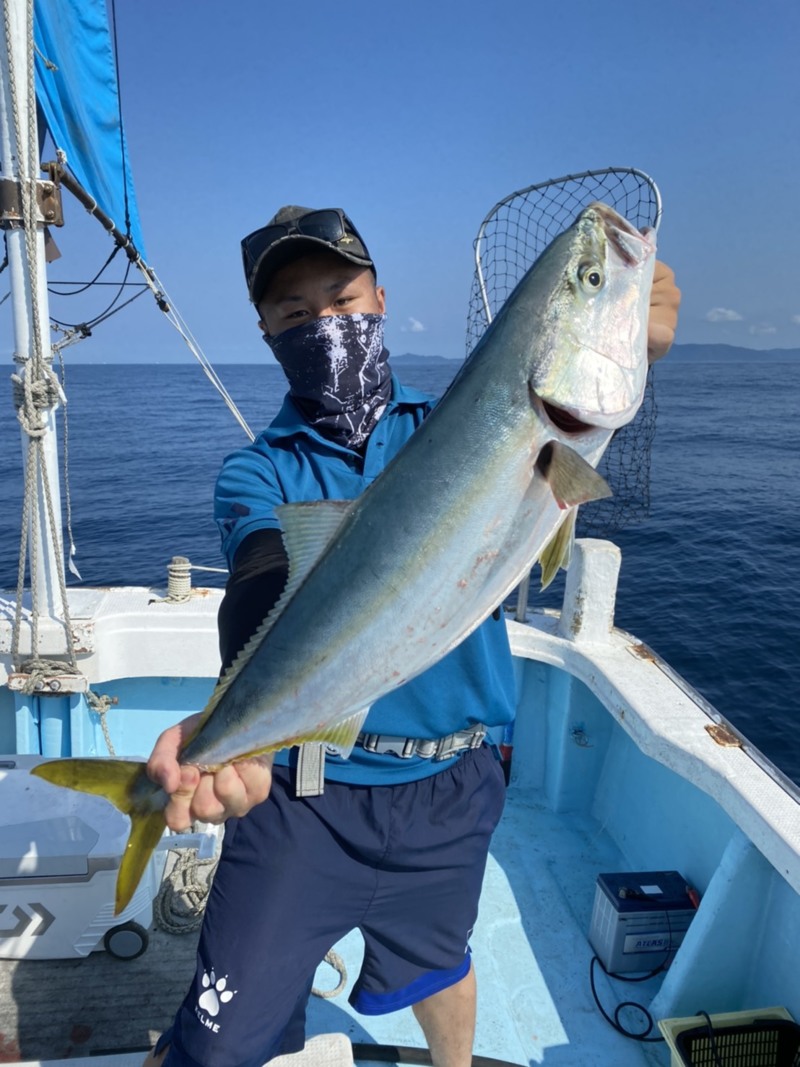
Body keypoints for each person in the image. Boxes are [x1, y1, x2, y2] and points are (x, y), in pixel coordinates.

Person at [144, 205, 681, 1067]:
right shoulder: (260, 468)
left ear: (381, 298)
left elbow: (572, 448)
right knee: (210, 1044)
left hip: (453, 784)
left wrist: (626, 336)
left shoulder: (457, 427)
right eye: (295, 312)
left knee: (440, 964)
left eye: (342, 296)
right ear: (265, 331)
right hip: (300, 799)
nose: (325, 323)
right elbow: (261, 581)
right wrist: (228, 729)